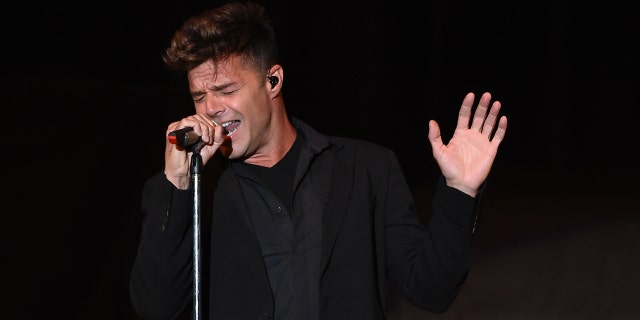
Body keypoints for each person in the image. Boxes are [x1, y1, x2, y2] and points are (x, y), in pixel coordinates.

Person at [129, 1, 508, 319]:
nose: (210, 108)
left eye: (226, 89)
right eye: (199, 96)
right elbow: (157, 308)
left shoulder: (367, 169)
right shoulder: (194, 191)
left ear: (272, 81)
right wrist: (178, 185)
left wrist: (459, 191)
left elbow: (431, 290)